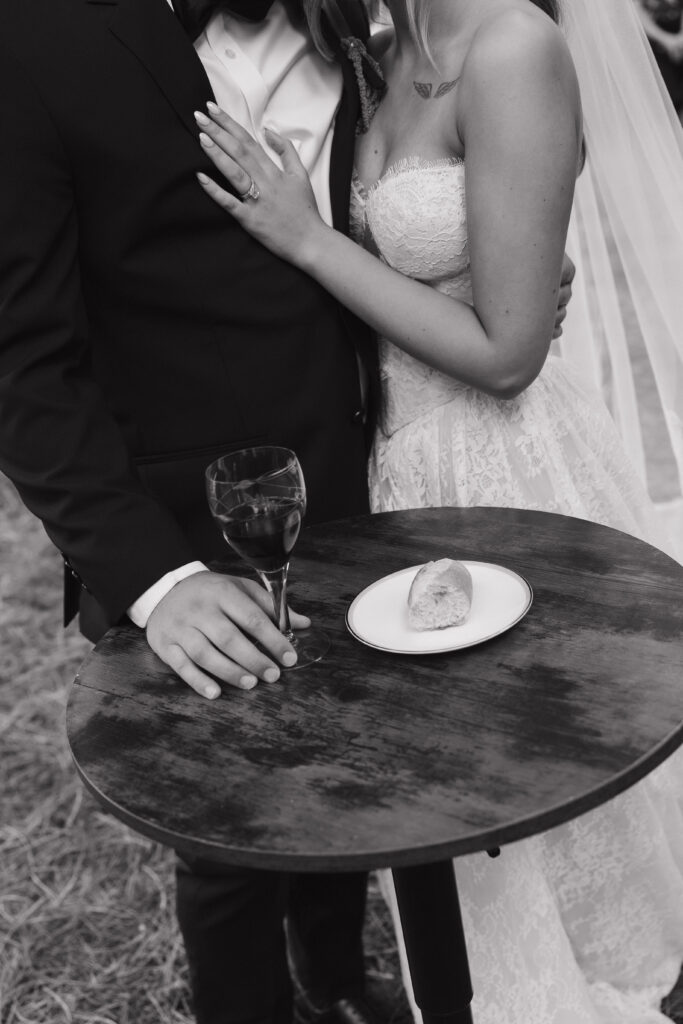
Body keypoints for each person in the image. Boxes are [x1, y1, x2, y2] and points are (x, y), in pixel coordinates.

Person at [194, 0, 683, 1020]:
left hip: (507, 476)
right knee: (457, 816)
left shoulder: (515, 46)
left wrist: (306, 238)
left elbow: (506, 358)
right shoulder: (375, 51)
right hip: (402, 478)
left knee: (543, 791)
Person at [0, 3, 436, 1023]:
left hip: (375, 469)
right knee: (233, 827)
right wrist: (160, 580)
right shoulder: (30, 37)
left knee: (347, 764)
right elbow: (23, 363)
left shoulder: (352, 18)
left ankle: (333, 975)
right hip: (198, 525)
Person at [634, 0, 683, 118]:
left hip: (678, 42)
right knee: (664, 98)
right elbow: (636, 13)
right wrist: (667, 41)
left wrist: (679, 40)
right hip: (653, 48)